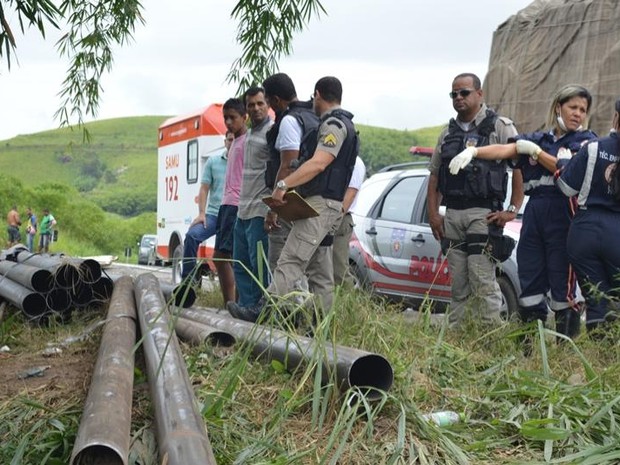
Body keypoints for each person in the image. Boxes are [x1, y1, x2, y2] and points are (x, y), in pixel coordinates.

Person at [449, 84, 597, 338]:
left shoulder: (586, 142)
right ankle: (529, 348)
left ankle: (566, 351)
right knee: (529, 283)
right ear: (558, 107)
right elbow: (508, 149)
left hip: (564, 215)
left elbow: (571, 171)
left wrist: (537, 154)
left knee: (564, 288)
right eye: (573, 107)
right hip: (535, 214)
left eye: (583, 110)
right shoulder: (541, 139)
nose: (578, 114)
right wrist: (474, 152)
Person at [231, 76, 359, 322]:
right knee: (320, 271)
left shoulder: (334, 125)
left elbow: (320, 163)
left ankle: (264, 310)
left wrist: (283, 184)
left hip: (321, 204)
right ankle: (321, 326)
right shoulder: (342, 123)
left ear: (318, 94)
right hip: (329, 206)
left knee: (291, 257)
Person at [427, 72, 523, 328]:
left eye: (464, 92)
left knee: (482, 281)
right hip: (453, 215)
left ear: (479, 94)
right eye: (454, 94)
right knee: (458, 285)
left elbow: (519, 166)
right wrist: (433, 214)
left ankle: (489, 340)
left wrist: (513, 209)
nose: (459, 98)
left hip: (484, 214)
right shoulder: (447, 132)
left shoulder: (500, 126)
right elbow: (435, 175)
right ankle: (459, 339)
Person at [554, 98, 620, 336]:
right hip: (617, 233)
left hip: (584, 230)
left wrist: (563, 162)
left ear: (616, 118)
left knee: (595, 298)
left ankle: (598, 355)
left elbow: (565, 188)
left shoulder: (592, 147)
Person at [262, 72, 320, 272]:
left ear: (276, 99)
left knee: (281, 261)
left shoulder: (288, 121)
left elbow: (288, 165)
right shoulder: (312, 115)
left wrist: (273, 208)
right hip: (309, 199)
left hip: (289, 202)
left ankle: (282, 303)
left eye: (268, 102)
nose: (270, 107)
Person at [226, 87, 273, 316]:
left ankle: (262, 310)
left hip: (260, 210)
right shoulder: (248, 135)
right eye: (251, 105)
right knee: (240, 263)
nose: (256, 108)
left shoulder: (272, 132)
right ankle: (246, 308)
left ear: (268, 105)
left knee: (259, 266)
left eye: (260, 103)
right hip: (242, 209)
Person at [181, 130, 233, 284]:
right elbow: (204, 188)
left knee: (230, 253)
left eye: (235, 139)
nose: (232, 142)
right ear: (225, 142)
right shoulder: (213, 161)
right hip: (213, 215)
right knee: (192, 235)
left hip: (233, 216)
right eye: (229, 139)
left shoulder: (244, 162)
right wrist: (202, 213)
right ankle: (188, 283)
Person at [212, 98, 248, 304]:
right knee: (224, 257)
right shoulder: (234, 142)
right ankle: (231, 303)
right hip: (226, 204)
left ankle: (233, 303)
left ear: (245, 117)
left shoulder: (246, 142)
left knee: (226, 257)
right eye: (225, 118)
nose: (228, 122)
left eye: (232, 118)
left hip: (236, 203)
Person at [333, 156, 366, 287]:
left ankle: (347, 303)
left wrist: (333, 219)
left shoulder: (355, 162)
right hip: (327, 216)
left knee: (339, 270)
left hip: (340, 217)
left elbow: (350, 194)